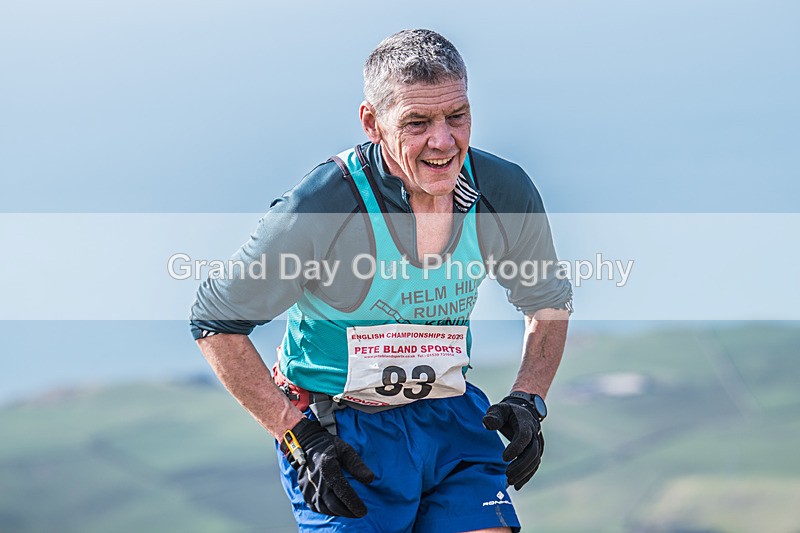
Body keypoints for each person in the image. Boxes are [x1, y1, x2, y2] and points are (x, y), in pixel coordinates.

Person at [191, 29, 572, 533]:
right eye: (417, 123)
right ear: (372, 122)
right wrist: (293, 432)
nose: (443, 140)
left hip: (451, 416)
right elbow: (215, 322)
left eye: (457, 116)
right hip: (344, 437)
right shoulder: (323, 208)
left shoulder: (501, 190)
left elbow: (547, 300)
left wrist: (529, 397)